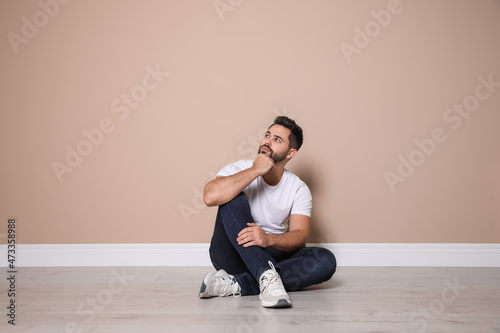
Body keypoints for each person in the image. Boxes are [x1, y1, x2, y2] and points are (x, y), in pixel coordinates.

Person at [198, 116, 336, 308]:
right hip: (232, 252)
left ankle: (238, 284)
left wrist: (268, 239)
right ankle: (266, 276)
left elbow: (300, 236)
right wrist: (255, 171)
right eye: (267, 135)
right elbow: (210, 197)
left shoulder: (298, 188)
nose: (267, 141)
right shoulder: (240, 169)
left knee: (325, 260)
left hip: (271, 252)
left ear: (291, 152)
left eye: (277, 140)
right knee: (232, 193)